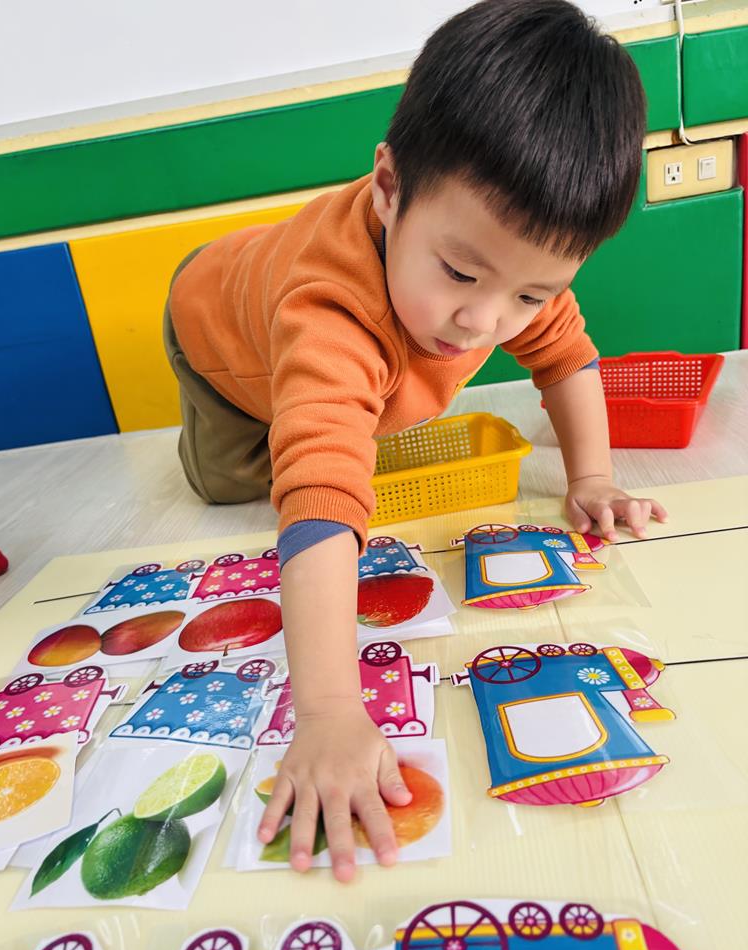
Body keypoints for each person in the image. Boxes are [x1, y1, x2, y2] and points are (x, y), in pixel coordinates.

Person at [164, 0, 668, 881]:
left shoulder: (504, 270)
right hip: (217, 331)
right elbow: (318, 495)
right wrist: (327, 711)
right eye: (461, 274)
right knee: (235, 480)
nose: (484, 321)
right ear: (389, 188)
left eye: (529, 294)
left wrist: (591, 476)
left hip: (303, 306)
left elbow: (567, 356)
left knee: (369, 408)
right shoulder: (328, 310)